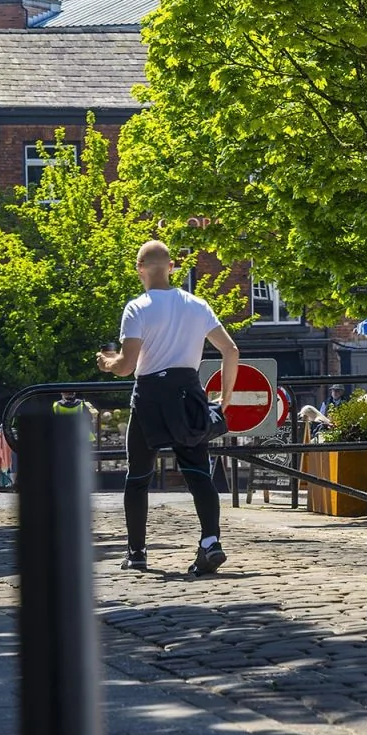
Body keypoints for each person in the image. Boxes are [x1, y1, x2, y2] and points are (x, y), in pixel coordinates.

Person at [97, 240, 239, 576]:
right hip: (189, 392)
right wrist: (224, 399)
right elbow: (231, 350)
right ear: (172, 267)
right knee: (198, 472)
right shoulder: (197, 304)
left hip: (150, 395)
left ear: (139, 269)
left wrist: (106, 362)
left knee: (138, 476)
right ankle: (210, 542)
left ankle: (137, 552)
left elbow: (126, 366)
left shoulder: (137, 308)